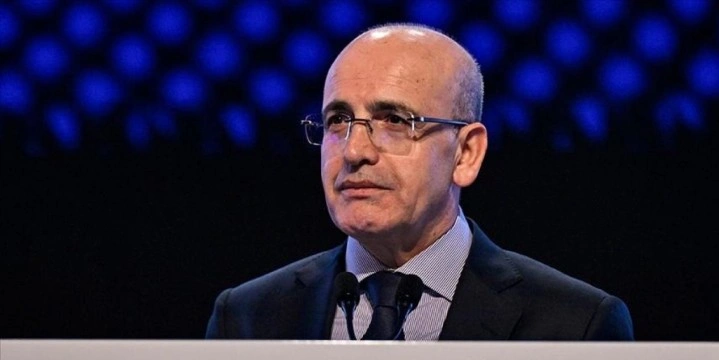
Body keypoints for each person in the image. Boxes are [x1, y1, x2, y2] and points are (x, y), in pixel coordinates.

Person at [206, 23, 634, 340]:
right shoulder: (246, 317)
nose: (354, 151)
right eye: (338, 120)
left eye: (395, 120)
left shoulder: (576, 324)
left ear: (465, 154)